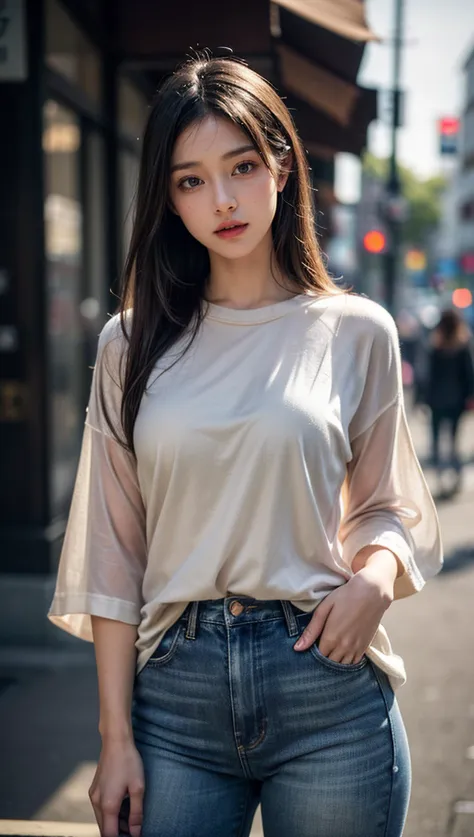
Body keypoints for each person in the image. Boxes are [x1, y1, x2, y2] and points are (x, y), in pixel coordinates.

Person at [48, 54, 443, 837]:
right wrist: (115, 737)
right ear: (167, 196)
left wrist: (371, 581)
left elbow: (387, 506)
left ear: (283, 166)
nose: (222, 200)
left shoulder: (355, 330)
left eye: (241, 167)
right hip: (175, 699)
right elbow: (113, 555)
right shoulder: (131, 345)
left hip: (325, 682)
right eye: (191, 180)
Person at [425, 308, 474, 490]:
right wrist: (470, 396)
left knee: (436, 437)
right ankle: (455, 471)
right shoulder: (462, 345)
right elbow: (469, 374)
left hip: (436, 399)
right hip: (456, 400)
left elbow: (428, 376)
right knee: (454, 438)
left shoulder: (435, 346)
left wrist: (422, 398)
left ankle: (439, 473)